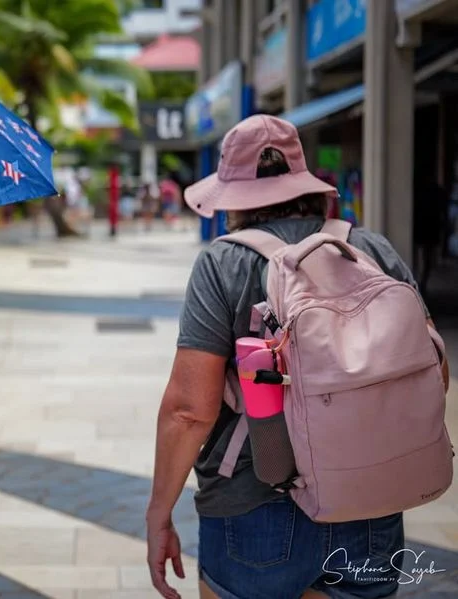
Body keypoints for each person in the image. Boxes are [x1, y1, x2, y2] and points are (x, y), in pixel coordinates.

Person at [145, 115, 450, 599]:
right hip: (371, 504)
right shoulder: (370, 248)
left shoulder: (223, 263)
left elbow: (189, 410)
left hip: (255, 507)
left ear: (234, 198)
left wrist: (158, 514)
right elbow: (435, 372)